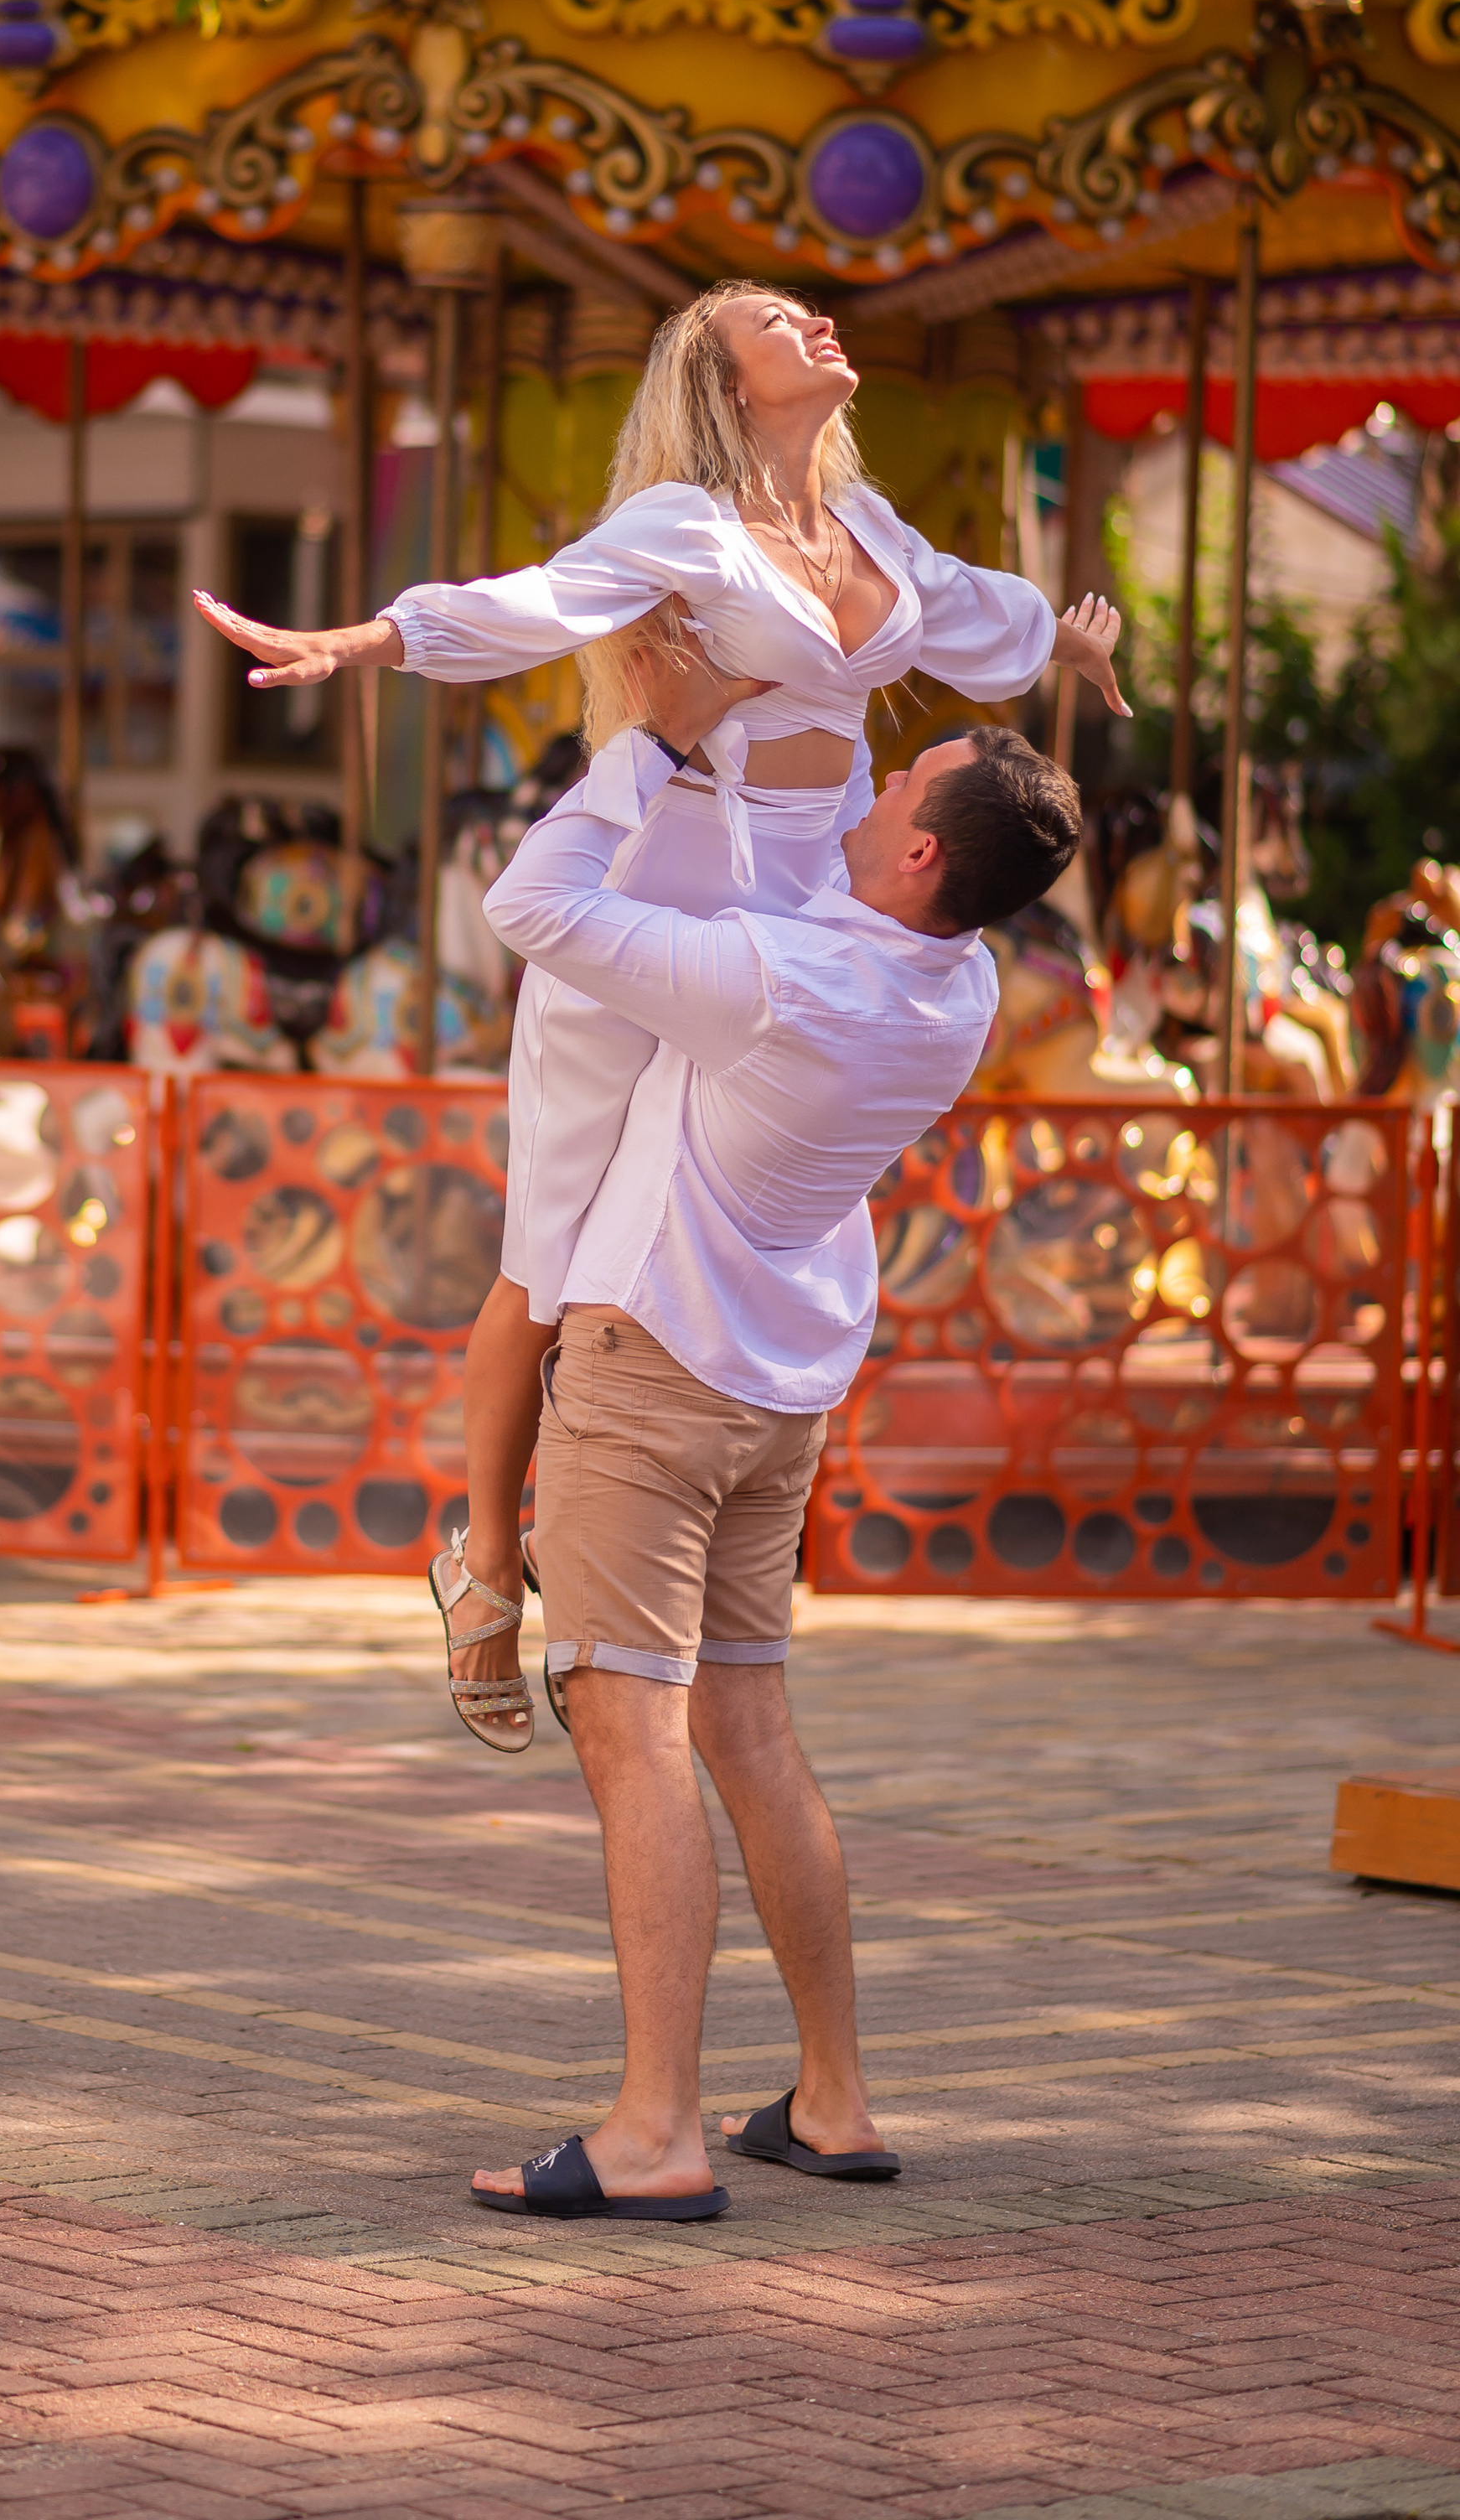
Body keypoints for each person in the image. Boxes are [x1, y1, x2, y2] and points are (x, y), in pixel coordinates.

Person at [195, 279, 1126, 1745]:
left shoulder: (870, 529)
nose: (817, 323)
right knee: (556, 1243)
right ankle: (487, 1570)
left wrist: (1069, 645)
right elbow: (534, 604)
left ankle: (698, 1528)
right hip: (670, 876)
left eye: (817, 310)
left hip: (809, 898)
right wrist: (363, 646)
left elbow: (974, 612)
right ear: (719, 367)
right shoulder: (686, 527)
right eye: (777, 316)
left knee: (748, 1200)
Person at [460, 651, 1082, 2220]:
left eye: (897, 786)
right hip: (779, 1389)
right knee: (750, 1727)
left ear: (926, 853)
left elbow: (531, 907)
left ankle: (653, 2129)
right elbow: (821, 865)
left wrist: (655, 739)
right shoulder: (958, 981)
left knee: (633, 1730)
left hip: (653, 1362)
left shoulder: (777, 975)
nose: (869, 795)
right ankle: (833, 2094)